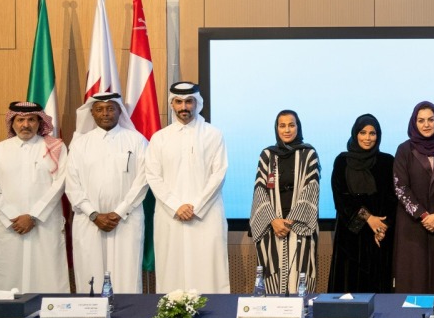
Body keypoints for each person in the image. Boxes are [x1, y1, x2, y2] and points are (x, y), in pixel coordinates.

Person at [144, 81, 230, 294]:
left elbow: (219, 174)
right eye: (179, 102)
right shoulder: (159, 138)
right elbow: (153, 176)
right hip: (170, 215)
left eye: (189, 101)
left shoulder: (213, 134)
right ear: (172, 104)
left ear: (197, 103)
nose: (184, 107)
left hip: (205, 215)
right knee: (172, 269)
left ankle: (213, 313)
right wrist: (176, 206)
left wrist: (195, 206)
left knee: (208, 269)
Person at [65, 93, 150, 294]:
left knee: (126, 274)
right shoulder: (79, 144)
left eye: (111, 109)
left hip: (126, 220)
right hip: (88, 220)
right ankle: (90, 314)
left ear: (120, 111)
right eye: (100, 109)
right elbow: (72, 184)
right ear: (92, 113)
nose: (105, 113)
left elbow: (143, 180)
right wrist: (93, 214)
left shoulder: (137, 140)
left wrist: (119, 212)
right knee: (89, 274)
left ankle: (127, 314)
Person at [0, 101, 70, 294]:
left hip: (44, 223)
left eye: (31, 120)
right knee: (7, 275)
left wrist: (33, 216)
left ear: (40, 122)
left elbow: (60, 184)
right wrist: (13, 217)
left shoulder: (55, 148)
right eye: (20, 120)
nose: (26, 125)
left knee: (46, 274)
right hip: (9, 224)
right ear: (12, 123)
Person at [249, 110, 320, 294]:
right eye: (282, 126)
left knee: (300, 274)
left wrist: (290, 221)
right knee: (272, 272)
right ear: (277, 128)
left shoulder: (309, 154)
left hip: (300, 225)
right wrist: (274, 220)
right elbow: (259, 189)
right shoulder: (267, 155)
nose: (287, 130)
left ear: (298, 127)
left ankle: (301, 309)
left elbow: (311, 188)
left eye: (291, 125)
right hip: (272, 226)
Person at [393, 101, 434, 293]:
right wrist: (424, 216)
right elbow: (400, 187)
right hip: (412, 225)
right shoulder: (404, 150)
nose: (426, 124)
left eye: (431, 120)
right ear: (414, 123)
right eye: (421, 120)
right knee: (413, 278)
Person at [329, 114, 397, 293]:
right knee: (348, 291)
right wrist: (368, 218)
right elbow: (341, 199)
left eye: (372, 133)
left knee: (378, 292)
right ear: (355, 134)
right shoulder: (342, 161)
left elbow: (392, 199)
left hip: (378, 235)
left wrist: (382, 227)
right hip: (350, 235)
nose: (367, 138)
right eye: (363, 132)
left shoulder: (387, 161)